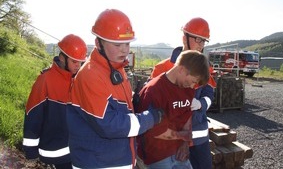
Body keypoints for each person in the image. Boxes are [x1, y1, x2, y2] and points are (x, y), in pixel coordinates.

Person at [66, 9, 163, 169]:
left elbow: (113, 101)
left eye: (127, 43)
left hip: (114, 160)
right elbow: (109, 124)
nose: (125, 50)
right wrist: (149, 118)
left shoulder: (115, 67)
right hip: (99, 163)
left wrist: (133, 99)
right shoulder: (91, 75)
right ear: (98, 43)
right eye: (118, 44)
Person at [150, 17, 217, 169]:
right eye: (198, 39)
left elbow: (209, 94)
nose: (201, 45)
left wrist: (201, 104)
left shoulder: (204, 69)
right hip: (172, 139)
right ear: (184, 38)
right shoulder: (163, 68)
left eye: (204, 41)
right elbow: (153, 105)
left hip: (199, 137)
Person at [136, 50, 210, 169]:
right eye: (193, 81)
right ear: (181, 69)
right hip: (157, 155)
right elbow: (156, 131)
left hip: (179, 152)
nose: (192, 86)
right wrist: (183, 136)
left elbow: (187, 115)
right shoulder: (154, 90)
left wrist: (185, 143)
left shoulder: (188, 88)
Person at [22, 34, 88, 169]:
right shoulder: (45, 80)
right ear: (63, 58)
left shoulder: (79, 80)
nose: (78, 66)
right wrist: (31, 153)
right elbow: (32, 116)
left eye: (81, 62)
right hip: (53, 154)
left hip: (77, 152)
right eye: (74, 61)